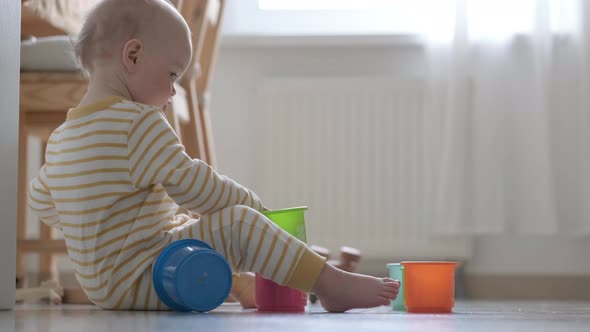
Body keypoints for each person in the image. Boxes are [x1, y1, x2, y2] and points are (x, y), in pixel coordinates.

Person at [28, 0, 399, 312]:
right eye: (172, 74)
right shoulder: (137, 122)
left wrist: (90, 211)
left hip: (102, 289)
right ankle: (330, 284)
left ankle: (240, 285)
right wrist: (255, 209)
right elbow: (195, 186)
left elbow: (41, 199)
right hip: (146, 276)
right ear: (134, 55)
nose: (173, 91)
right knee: (238, 224)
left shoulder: (61, 138)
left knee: (182, 224)